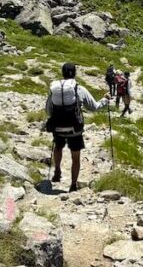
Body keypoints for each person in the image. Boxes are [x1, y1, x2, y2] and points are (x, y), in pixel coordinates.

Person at [44, 62, 109, 192]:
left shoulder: (55, 89)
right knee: (75, 156)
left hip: (57, 127)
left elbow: (48, 110)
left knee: (58, 146)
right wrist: (105, 100)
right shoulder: (79, 89)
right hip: (74, 128)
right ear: (75, 73)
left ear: (62, 73)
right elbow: (94, 107)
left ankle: (57, 170)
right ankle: (73, 185)